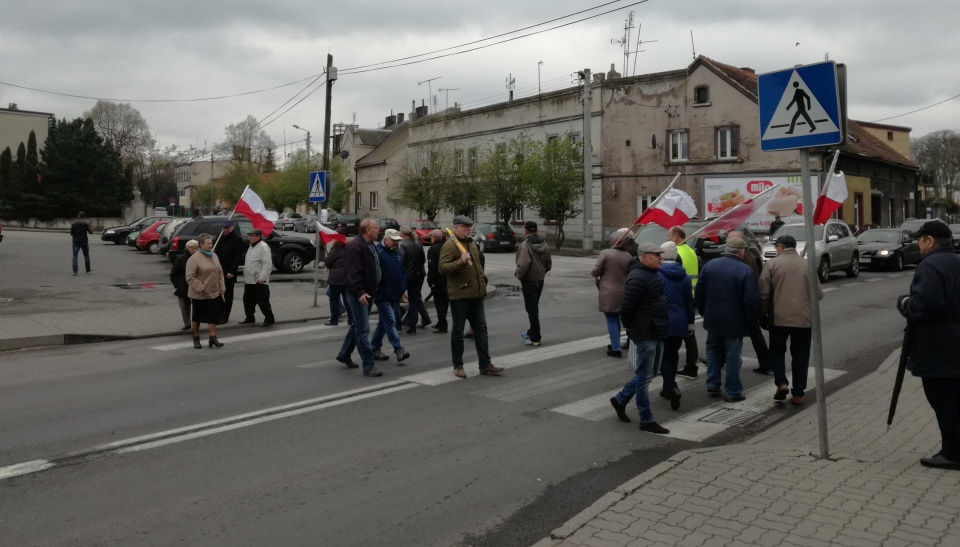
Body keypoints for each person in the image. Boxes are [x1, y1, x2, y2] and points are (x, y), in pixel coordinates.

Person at [896, 221, 960, 470]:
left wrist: (904, 303)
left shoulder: (930, 265)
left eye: (920, 239)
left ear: (930, 241)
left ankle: (952, 453)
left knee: (942, 401)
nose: (917, 243)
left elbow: (924, 307)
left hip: (938, 347)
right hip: (954, 347)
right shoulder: (957, 261)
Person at [609, 242, 670, 434]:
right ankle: (646, 418)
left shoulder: (651, 274)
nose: (661, 257)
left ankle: (620, 399)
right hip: (645, 331)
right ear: (644, 257)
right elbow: (626, 306)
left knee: (650, 372)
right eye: (656, 255)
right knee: (645, 377)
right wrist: (628, 325)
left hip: (656, 328)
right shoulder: (637, 276)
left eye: (661, 255)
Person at [759, 234, 823, 406]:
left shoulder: (772, 264)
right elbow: (818, 294)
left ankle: (781, 383)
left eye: (776, 247)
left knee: (777, 352)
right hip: (803, 319)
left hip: (778, 319)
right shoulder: (807, 264)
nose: (776, 250)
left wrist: (762, 314)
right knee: (800, 356)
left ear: (781, 247)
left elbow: (763, 293)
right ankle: (798, 393)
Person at [438, 215, 504, 379]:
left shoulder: (471, 243)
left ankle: (485, 364)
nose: (469, 229)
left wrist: (483, 280)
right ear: (456, 227)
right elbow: (442, 268)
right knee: (458, 332)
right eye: (465, 226)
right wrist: (460, 261)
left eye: (469, 226)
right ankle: (458, 366)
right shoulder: (450, 245)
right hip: (460, 296)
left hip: (476, 295)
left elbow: (477, 266)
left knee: (481, 330)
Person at [695, 236, 758, 402]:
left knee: (713, 350)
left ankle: (713, 383)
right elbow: (751, 300)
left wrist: (704, 312)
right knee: (732, 356)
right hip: (734, 321)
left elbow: (699, 293)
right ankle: (732, 392)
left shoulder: (710, 265)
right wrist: (751, 322)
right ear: (742, 252)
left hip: (713, 317)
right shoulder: (745, 271)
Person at [338, 218, 383, 376]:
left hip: (369, 292)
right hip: (359, 294)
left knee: (357, 326)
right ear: (367, 230)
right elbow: (352, 274)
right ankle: (369, 365)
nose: (379, 230)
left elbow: (376, 267)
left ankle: (344, 354)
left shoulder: (370, 245)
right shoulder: (355, 247)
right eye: (376, 228)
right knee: (363, 330)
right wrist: (359, 293)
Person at [728, 230, 772, 375]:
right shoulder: (749, 255)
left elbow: (748, 280)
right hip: (750, 299)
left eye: (729, 238)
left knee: (744, 332)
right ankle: (766, 362)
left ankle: (766, 362)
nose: (726, 240)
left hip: (746, 300)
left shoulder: (745, 258)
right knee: (751, 332)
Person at [658, 241, 695, 411]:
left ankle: (671, 386)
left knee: (663, 356)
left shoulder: (657, 274)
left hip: (662, 321)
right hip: (680, 321)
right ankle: (667, 389)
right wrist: (690, 324)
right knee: (673, 355)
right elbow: (689, 303)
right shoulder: (685, 276)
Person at [591, 228, 633, 357]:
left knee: (611, 319)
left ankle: (615, 348)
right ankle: (616, 343)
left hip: (608, 291)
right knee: (618, 319)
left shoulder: (606, 253)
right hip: (624, 290)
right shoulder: (628, 256)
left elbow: (595, 271)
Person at [370, 229, 410, 363]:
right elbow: (375, 274)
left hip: (394, 294)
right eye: (393, 240)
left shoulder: (398, 254)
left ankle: (374, 348)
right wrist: (379, 290)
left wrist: (402, 288)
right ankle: (398, 349)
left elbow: (401, 273)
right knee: (390, 321)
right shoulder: (378, 252)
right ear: (385, 239)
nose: (396, 243)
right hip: (382, 295)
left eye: (397, 241)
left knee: (384, 323)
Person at [667, 226, 699, 378]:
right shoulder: (691, 250)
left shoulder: (677, 253)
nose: (667, 238)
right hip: (691, 294)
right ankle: (691, 365)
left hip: (680, 296)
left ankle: (686, 367)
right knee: (689, 333)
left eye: (669, 236)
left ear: (675, 237)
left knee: (681, 336)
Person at [185, 233, 226, 349]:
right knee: (197, 316)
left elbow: (220, 272)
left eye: (211, 243)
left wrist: (222, 287)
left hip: (214, 292)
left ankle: (213, 337)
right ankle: (196, 337)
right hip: (199, 294)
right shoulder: (193, 259)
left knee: (213, 315)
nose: (211, 245)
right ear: (201, 245)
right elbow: (190, 277)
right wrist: (201, 288)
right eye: (208, 244)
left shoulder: (214, 255)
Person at [515, 220, 552, 346]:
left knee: (532, 310)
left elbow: (523, 265)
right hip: (540, 280)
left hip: (529, 281)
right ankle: (531, 332)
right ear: (536, 230)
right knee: (533, 307)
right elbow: (548, 264)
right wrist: (541, 272)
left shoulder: (525, 246)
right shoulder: (545, 244)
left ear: (526, 231)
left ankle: (535, 338)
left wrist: (520, 276)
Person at [238, 230, 275, 327]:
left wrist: (262, 277)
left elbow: (267, 264)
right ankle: (250, 317)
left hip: (259, 279)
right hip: (249, 279)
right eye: (249, 236)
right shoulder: (251, 246)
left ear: (258, 236)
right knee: (247, 300)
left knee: (262, 301)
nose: (250, 237)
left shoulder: (264, 247)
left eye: (252, 236)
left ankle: (269, 318)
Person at [214, 220, 245, 324]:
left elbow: (238, 257)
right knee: (216, 293)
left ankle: (225, 316)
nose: (225, 230)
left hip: (229, 272)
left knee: (228, 295)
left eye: (227, 228)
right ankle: (221, 311)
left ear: (232, 228)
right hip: (218, 270)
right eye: (224, 228)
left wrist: (232, 271)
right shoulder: (220, 237)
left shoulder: (237, 239)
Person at [399, 226, 428, 334]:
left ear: (402, 234)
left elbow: (400, 261)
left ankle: (398, 323)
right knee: (414, 301)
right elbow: (422, 260)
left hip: (407, 276)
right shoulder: (417, 244)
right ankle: (412, 326)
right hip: (417, 275)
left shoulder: (403, 245)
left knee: (397, 298)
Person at [170, 239, 200, 330]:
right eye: (192, 248)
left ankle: (196, 323)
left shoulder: (201, 258)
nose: (194, 250)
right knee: (184, 307)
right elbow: (173, 274)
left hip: (197, 286)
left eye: (196, 248)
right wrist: (177, 284)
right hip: (183, 287)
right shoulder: (181, 259)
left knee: (197, 306)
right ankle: (187, 323)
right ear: (187, 248)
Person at [323, 238, 350, 326]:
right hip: (346, 278)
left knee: (334, 299)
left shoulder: (335, 249)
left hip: (336, 279)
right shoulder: (348, 249)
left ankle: (334, 320)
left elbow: (327, 262)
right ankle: (351, 319)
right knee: (347, 300)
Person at [427, 229, 449, 334]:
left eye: (430, 236)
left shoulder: (433, 249)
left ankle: (443, 326)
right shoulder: (447, 246)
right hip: (448, 279)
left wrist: (430, 281)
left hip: (438, 280)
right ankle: (441, 322)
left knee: (439, 304)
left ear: (434, 237)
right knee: (444, 303)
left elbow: (432, 267)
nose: (430, 238)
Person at [70, 211, 93, 276]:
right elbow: (91, 232)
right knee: (86, 255)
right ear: (85, 216)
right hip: (84, 240)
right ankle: (87, 269)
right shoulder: (87, 222)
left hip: (75, 241)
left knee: (75, 256)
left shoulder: (74, 223)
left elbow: (71, 233)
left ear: (78, 216)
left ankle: (75, 271)